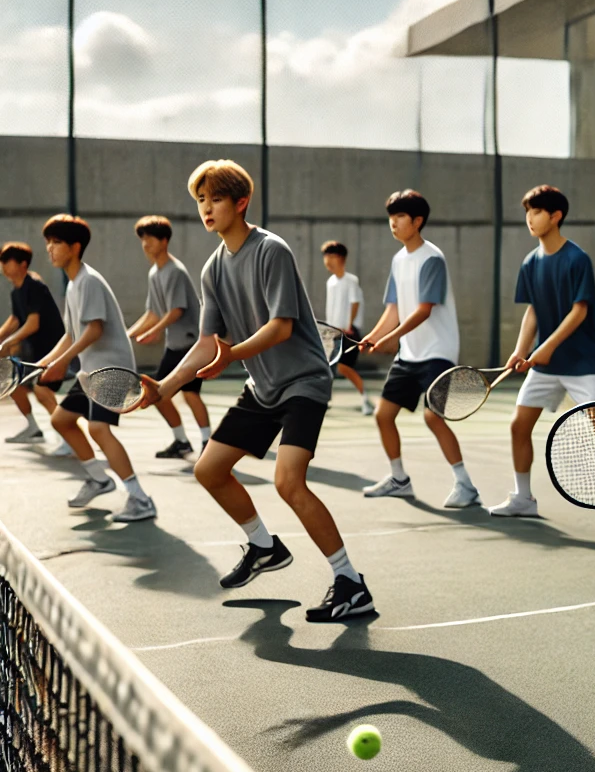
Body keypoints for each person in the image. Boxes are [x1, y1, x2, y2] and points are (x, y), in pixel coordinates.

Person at [143, 160, 372, 622]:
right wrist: (165, 387)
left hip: (304, 381)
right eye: (200, 201)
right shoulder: (212, 269)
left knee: (289, 482)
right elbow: (207, 342)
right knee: (209, 470)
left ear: (240, 202)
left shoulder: (272, 251)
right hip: (262, 386)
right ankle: (264, 547)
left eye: (215, 199)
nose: (206, 208)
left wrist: (231, 355)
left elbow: (282, 326)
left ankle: (349, 582)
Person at [489, 185, 595, 519]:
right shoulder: (530, 262)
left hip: (584, 362)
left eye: (537, 212)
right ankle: (523, 498)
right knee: (518, 426)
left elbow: (579, 311)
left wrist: (547, 347)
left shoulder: (577, 259)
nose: (530, 219)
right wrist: (520, 349)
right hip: (546, 366)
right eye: (528, 212)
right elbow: (533, 311)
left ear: (556, 216)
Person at [360, 189, 479, 508]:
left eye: (400, 217)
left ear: (417, 221)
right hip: (409, 355)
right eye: (391, 217)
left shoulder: (432, 258)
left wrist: (392, 337)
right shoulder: (399, 260)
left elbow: (424, 309)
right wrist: (374, 335)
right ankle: (399, 479)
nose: (393, 223)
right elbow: (394, 309)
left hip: (437, 352)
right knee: (384, 415)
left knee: (433, 417)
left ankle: (465, 485)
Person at [37, 216, 157, 523]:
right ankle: (99, 479)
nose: (49, 249)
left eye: (57, 243)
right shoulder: (75, 283)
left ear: (75, 247)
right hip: (91, 372)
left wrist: (61, 363)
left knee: (97, 428)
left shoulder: (88, 281)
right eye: (48, 242)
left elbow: (93, 330)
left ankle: (140, 498)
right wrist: (45, 361)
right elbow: (71, 334)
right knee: (61, 420)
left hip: (112, 371)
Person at [127, 215, 210, 458]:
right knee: (161, 394)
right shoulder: (155, 273)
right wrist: (126, 334)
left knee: (186, 394)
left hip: (190, 343)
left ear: (164, 241)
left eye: (149, 239)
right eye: (142, 240)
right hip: (175, 345)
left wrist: (153, 331)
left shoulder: (175, 271)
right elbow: (153, 312)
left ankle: (206, 443)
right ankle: (182, 441)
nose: (145, 245)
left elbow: (176, 310)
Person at [0, 241, 69, 449]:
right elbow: (15, 319)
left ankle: (68, 436)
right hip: (33, 350)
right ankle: (33, 428)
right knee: (10, 382)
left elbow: (33, 322)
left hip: (51, 349)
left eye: (6, 261)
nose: (2, 265)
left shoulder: (34, 286)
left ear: (22, 264)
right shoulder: (17, 290)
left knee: (42, 392)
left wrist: (10, 341)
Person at [321, 240, 374, 416]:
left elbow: (355, 302)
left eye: (332, 256)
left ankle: (366, 399)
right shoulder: (330, 282)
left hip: (349, 333)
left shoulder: (351, 280)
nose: (327, 260)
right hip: (334, 333)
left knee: (344, 368)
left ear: (342, 258)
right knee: (329, 367)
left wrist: (349, 325)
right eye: (326, 256)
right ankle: (324, 400)